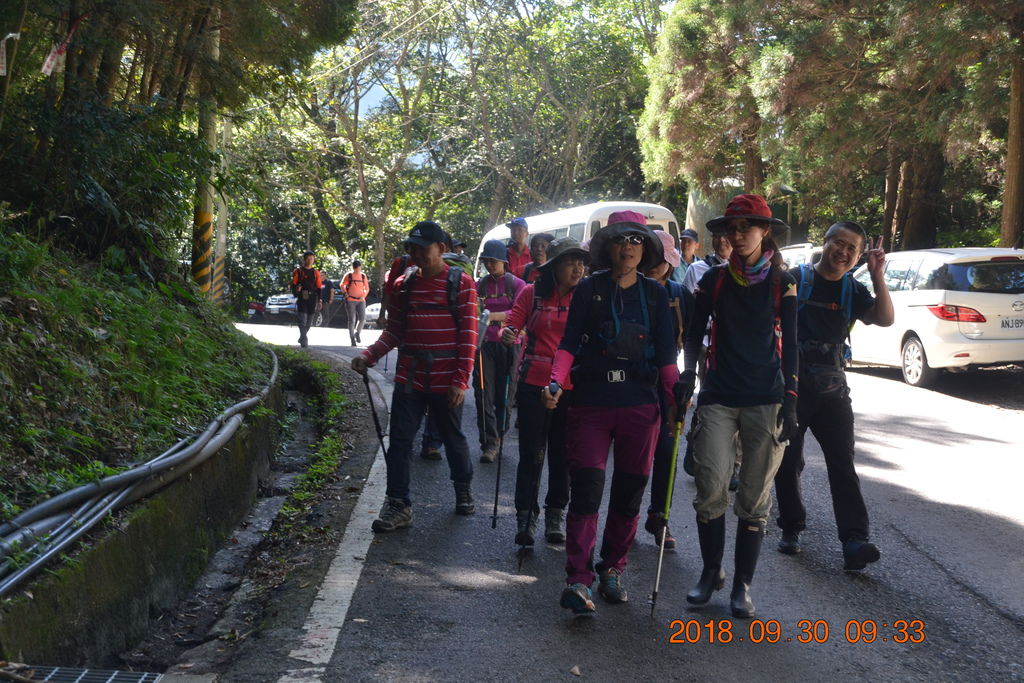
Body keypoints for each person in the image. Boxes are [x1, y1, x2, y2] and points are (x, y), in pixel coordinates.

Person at [546, 211, 680, 615]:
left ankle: (612, 570)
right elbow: (569, 345)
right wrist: (555, 381)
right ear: (607, 247)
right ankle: (578, 579)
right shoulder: (588, 290)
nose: (628, 248)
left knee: (629, 494)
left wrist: (677, 398)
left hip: (641, 405)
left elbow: (667, 357)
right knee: (585, 491)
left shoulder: (657, 295)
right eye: (621, 240)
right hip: (591, 402)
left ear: (646, 249)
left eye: (637, 241)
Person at [679, 193, 798, 619]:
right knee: (710, 485)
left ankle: (742, 585)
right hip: (719, 396)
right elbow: (693, 334)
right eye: (732, 228)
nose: (738, 234)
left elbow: (793, 346)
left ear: (765, 232)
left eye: (748, 227)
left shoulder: (783, 282)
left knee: (754, 496)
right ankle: (712, 572)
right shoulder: (713, 281)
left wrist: (792, 397)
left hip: (766, 398)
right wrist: (687, 377)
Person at [773, 222, 893, 570]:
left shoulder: (853, 289)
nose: (843, 252)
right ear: (825, 243)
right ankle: (792, 527)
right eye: (838, 243)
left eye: (851, 249)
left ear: (858, 256)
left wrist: (877, 274)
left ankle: (855, 541)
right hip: (791, 387)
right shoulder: (795, 279)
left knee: (842, 463)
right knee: (788, 460)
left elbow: (884, 318)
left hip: (832, 391)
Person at [351, 221, 479, 531]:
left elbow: (469, 336)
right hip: (410, 377)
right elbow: (394, 331)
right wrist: (368, 356)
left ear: (442, 249)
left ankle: (463, 489)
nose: (416, 253)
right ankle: (399, 505)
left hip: (446, 379)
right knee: (400, 442)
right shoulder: (402, 286)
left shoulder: (461, 284)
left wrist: (461, 380)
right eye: (412, 247)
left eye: (423, 247)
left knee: (453, 440)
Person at [501, 237, 588, 547]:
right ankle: (526, 515)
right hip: (532, 383)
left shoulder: (586, 296)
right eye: (570, 261)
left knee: (563, 455)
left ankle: (555, 513)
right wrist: (508, 333)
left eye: (581, 262)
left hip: (572, 388)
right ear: (554, 266)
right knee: (531, 453)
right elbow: (511, 324)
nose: (578, 268)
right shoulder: (532, 292)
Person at [643, 230, 694, 551]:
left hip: (669, 381)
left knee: (667, 451)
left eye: (663, 261)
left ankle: (659, 516)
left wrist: (688, 378)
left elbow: (690, 339)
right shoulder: (628, 289)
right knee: (634, 455)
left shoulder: (679, 294)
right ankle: (627, 515)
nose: (657, 266)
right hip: (634, 379)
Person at [475, 239, 527, 463]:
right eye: (486, 261)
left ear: (504, 262)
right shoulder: (480, 285)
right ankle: (489, 442)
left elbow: (519, 312)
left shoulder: (517, 285)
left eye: (493, 261)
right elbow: (473, 310)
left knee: (505, 395)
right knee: (483, 393)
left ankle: (499, 435)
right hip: (484, 345)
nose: (489, 265)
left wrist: (492, 316)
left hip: (510, 344)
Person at [291, 250, 323, 348]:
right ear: (305, 259)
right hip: (302, 297)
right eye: (308, 258)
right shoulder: (298, 271)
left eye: (312, 259)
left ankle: (302, 336)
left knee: (309, 322)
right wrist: (297, 290)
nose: (310, 260)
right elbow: (293, 284)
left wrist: (320, 300)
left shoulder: (316, 272)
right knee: (302, 320)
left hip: (312, 298)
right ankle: (304, 340)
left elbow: (319, 287)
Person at [342, 260, 371, 346]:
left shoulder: (363, 276)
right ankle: (352, 338)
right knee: (352, 320)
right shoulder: (349, 275)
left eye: (358, 268)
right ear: (353, 268)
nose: (357, 270)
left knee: (362, 319)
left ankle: (357, 333)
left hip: (361, 300)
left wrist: (364, 295)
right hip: (350, 300)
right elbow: (342, 284)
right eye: (355, 269)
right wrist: (345, 293)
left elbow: (367, 288)